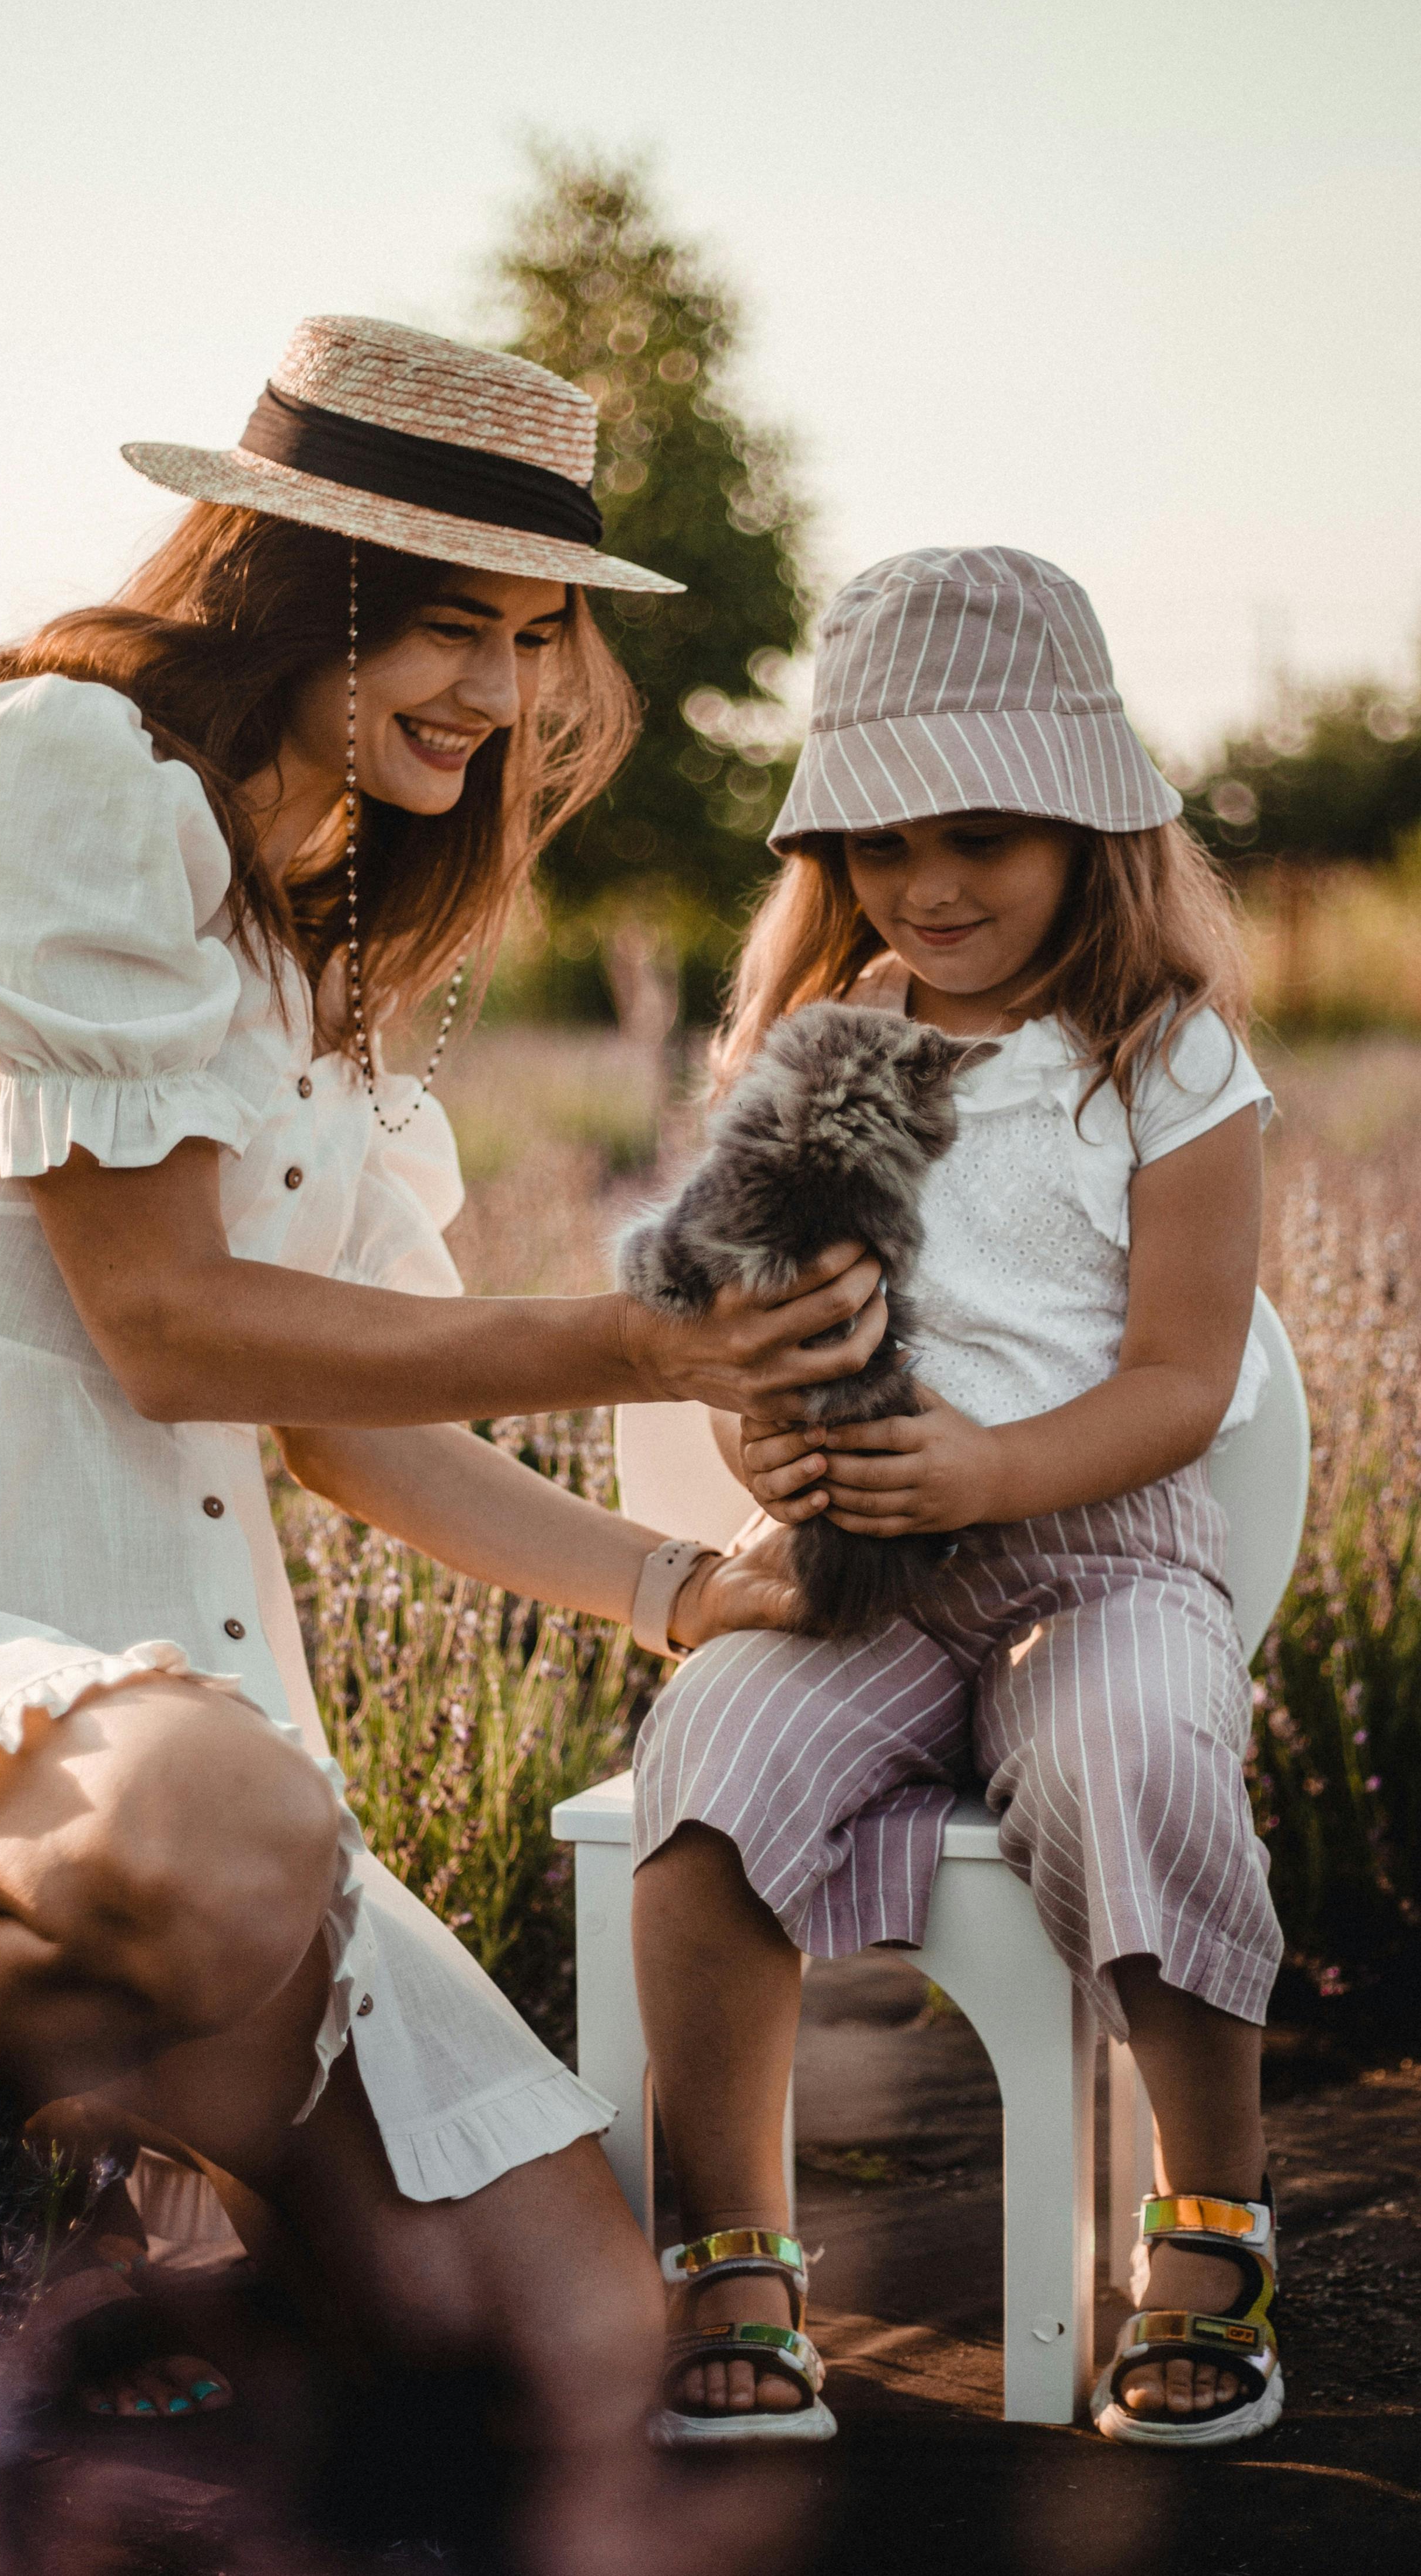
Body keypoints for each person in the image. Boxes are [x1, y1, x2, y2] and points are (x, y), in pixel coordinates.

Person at [0, 319, 887, 2568]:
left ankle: (158, 2288)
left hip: (210, 1746)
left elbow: (338, 1425)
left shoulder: (311, 912)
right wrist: (645, 1341)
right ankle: (30, 2236)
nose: (507, 692)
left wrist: (672, 1592)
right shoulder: (62, 775)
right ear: (286, 581)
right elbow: (169, 1330)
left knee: (579, 2348)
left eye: (539, 638)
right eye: (455, 622)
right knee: (229, 1829)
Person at [631, 545, 1286, 2452]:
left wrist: (999, 1463)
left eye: (984, 832)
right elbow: (743, 1329)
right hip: (863, 1574)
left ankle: (1213, 2226)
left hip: (1100, 1557)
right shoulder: (813, 1059)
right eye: (879, 841)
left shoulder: (1168, 1064)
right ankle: (731, 2251)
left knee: (1139, 1759)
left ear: (1094, 823)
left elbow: (1178, 1378)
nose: (928, 883)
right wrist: (779, 1450)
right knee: (705, 1777)